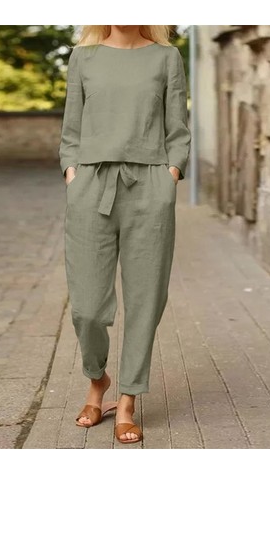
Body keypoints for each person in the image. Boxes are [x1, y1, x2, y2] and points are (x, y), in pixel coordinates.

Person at [59, 25, 191, 444]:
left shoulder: (166, 57)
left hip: (149, 187)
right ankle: (97, 379)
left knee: (145, 300)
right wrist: (72, 173)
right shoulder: (84, 57)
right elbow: (71, 128)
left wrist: (171, 175)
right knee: (87, 307)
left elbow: (178, 128)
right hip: (91, 185)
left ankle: (129, 400)